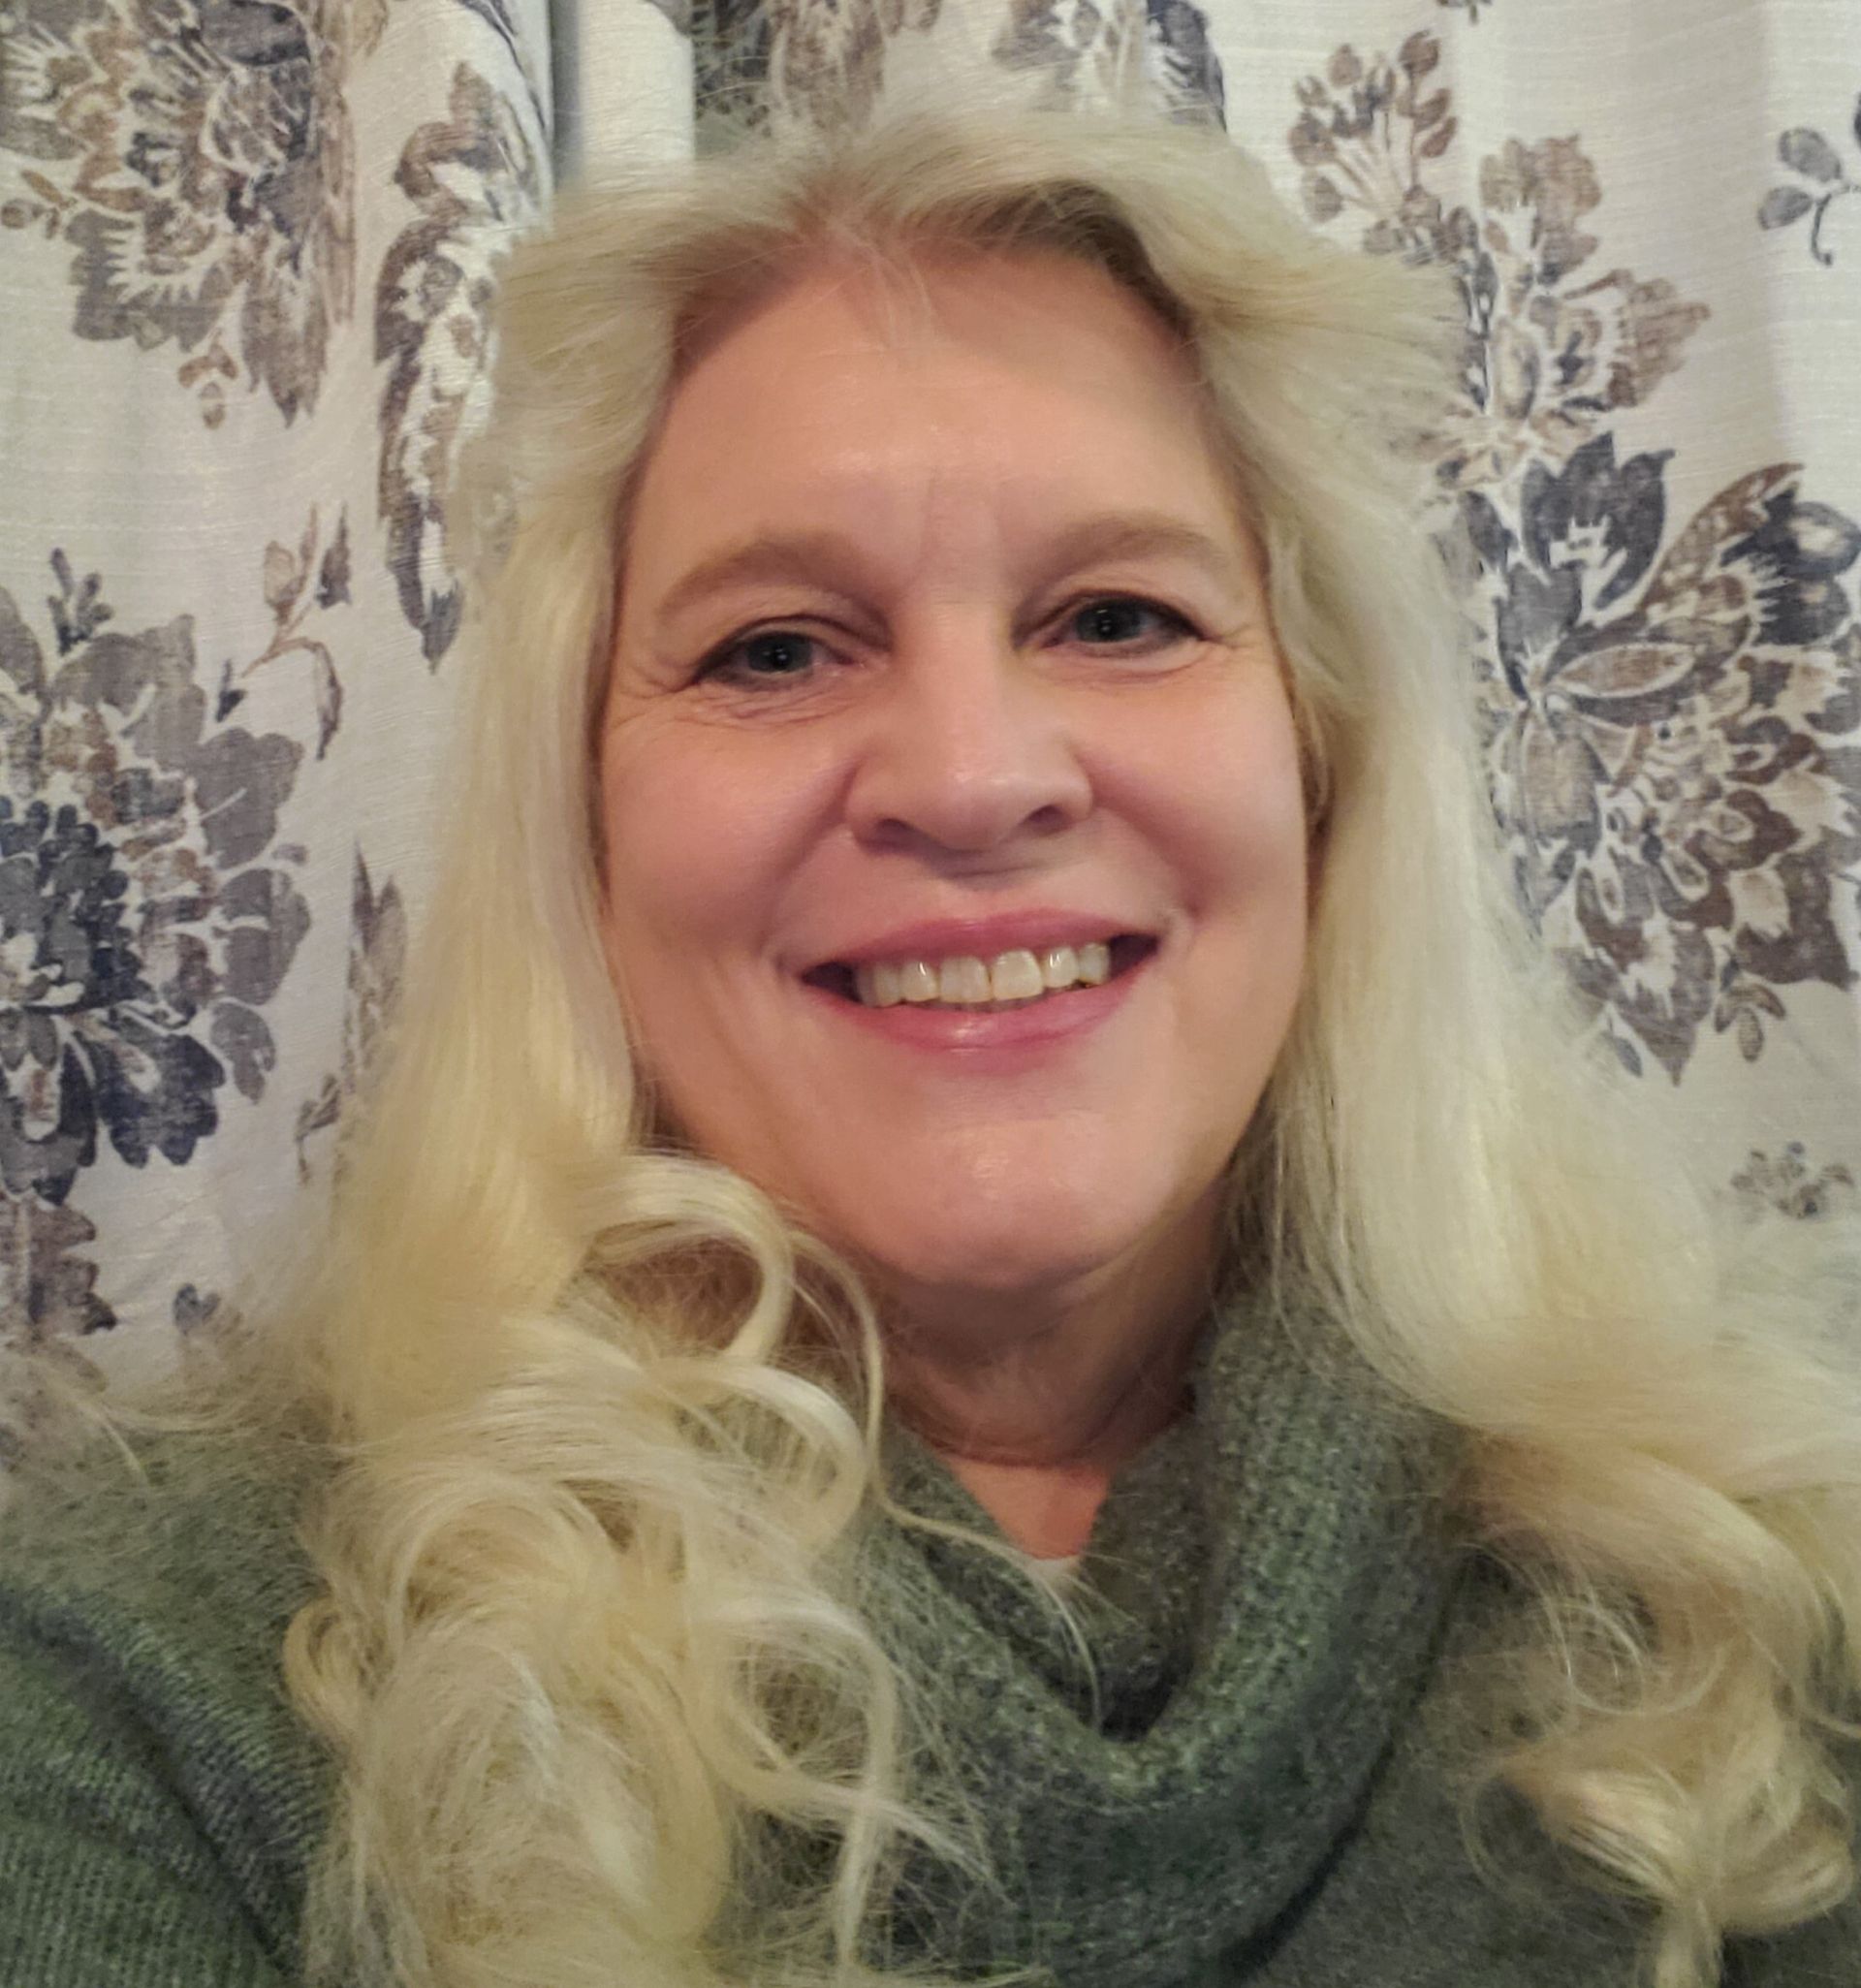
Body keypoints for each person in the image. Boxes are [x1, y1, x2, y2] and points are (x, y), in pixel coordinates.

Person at [2, 105, 1860, 1988]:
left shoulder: (1761, 1598)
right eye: (776, 650)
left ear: (1325, 768)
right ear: (583, 824)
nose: (973, 780)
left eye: (1120, 615)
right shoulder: (155, 1706)